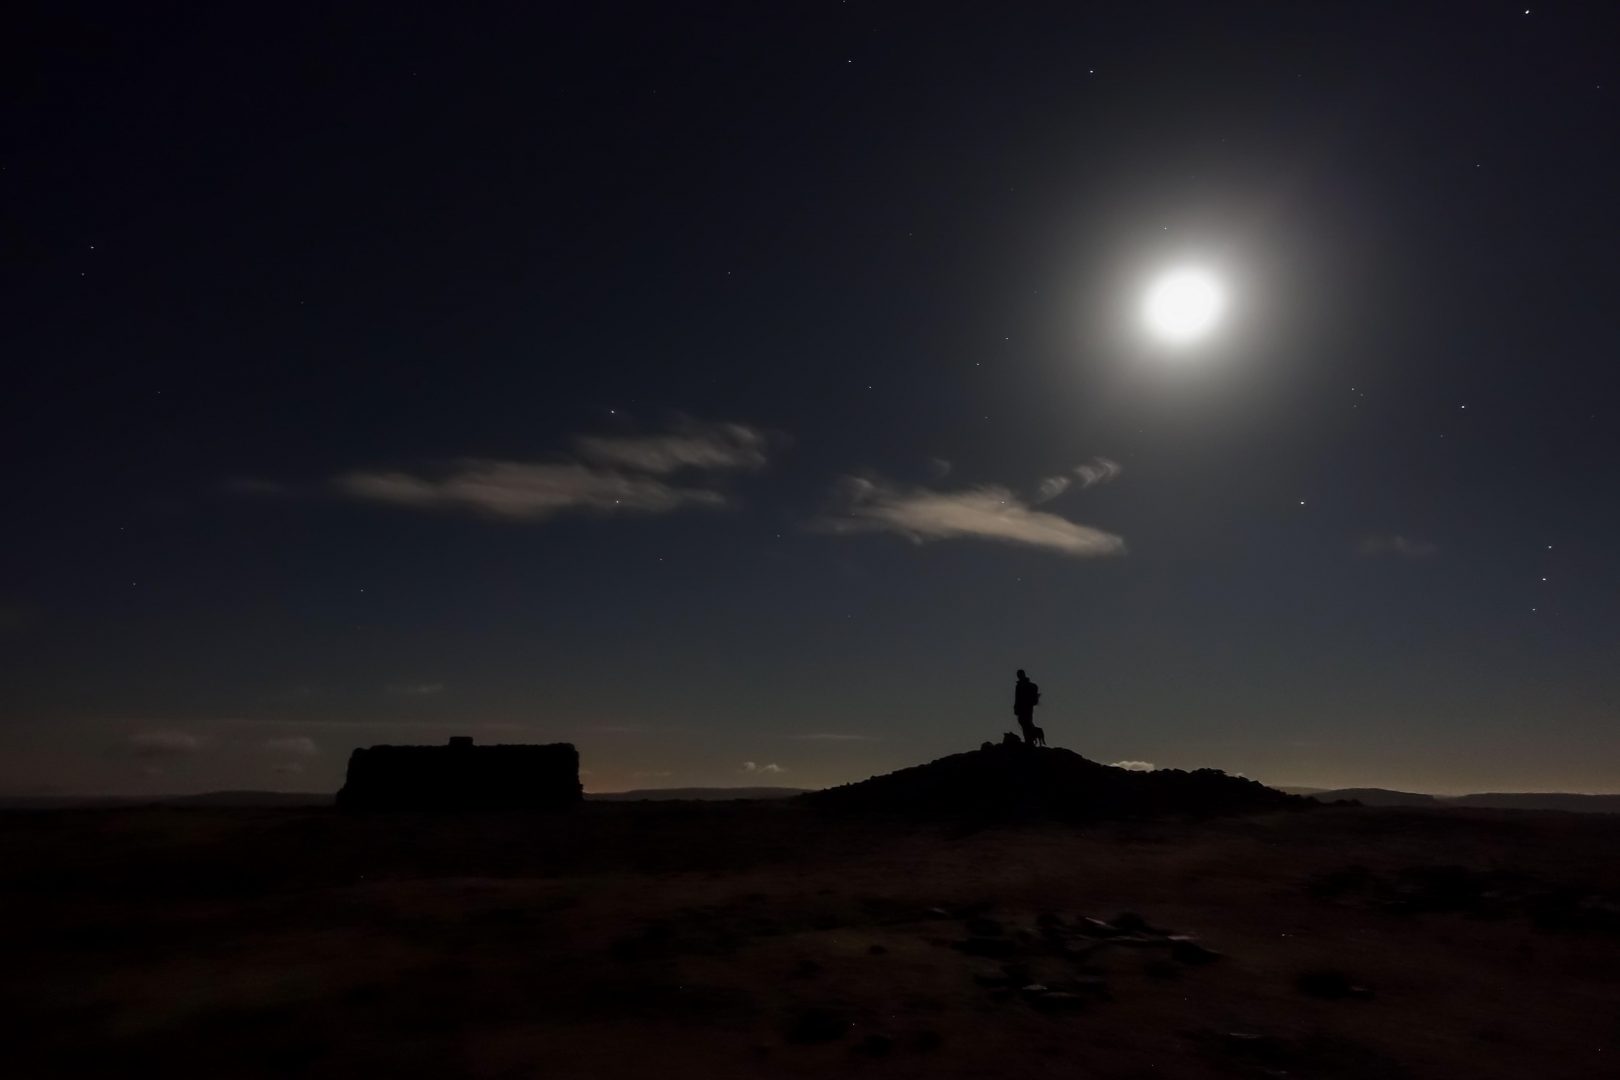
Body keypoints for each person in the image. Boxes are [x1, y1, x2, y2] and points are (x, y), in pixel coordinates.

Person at [1013, 669, 1042, 746]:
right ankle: (1029, 739)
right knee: (1025, 723)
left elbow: (1018, 698)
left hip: (1026, 707)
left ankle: (1030, 740)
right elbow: (1017, 698)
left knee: (1026, 723)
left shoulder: (1023, 686)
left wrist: (1016, 707)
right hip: (1025, 708)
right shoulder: (1023, 686)